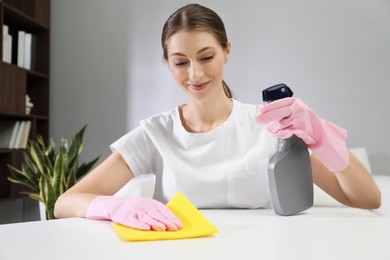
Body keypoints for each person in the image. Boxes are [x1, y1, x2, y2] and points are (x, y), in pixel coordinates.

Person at [54, 3, 381, 231]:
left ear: (227, 50)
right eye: (180, 62)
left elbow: (367, 197)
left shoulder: (271, 126)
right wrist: (114, 207)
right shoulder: (155, 133)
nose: (194, 73)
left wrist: (322, 137)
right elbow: (66, 202)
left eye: (206, 56)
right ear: (167, 63)